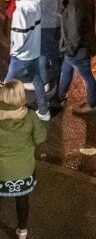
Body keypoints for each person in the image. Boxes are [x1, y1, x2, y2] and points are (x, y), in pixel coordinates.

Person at [0, 80, 47, 239]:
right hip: (23, 168)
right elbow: (40, 137)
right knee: (22, 199)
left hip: (1, 169)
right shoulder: (30, 116)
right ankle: (22, 231)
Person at [54, 0, 96, 115]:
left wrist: (70, 50)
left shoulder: (74, 5)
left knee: (87, 76)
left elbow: (74, 31)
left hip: (78, 49)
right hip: (79, 47)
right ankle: (60, 95)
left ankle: (92, 104)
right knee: (66, 70)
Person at [4, 0, 49, 121]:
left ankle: (5, 112)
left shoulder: (19, 12)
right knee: (37, 80)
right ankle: (43, 110)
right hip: (34, 50)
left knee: (7, 85)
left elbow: (20, 37)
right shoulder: (34, 2)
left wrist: (14, 52)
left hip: (21, 56)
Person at [26, 0, 62, 87]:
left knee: (44, 55)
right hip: (55, 21)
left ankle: (49, 85)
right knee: (48, 55)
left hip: (47, 24)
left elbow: (30, 0)